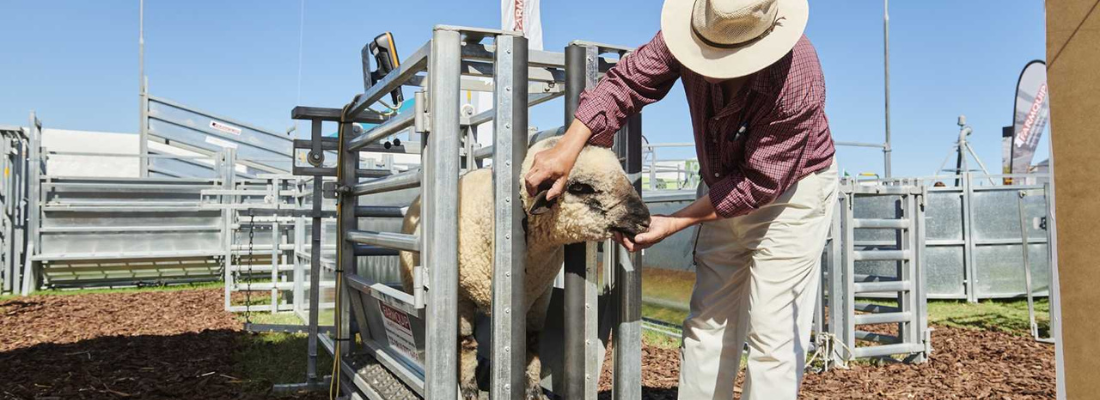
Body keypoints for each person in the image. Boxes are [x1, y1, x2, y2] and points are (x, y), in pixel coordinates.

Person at [523, 0, 836, 398]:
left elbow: (759, 182)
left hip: (789, 194)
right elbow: (627, 82)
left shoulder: (797, 78)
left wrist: (675, 221)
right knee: (708, 322)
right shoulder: (694, 30)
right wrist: (568, 148)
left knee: (771, 335)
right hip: (720, 181)